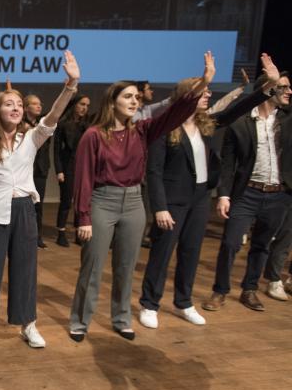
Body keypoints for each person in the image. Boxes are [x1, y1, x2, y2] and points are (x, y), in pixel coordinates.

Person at [68, 53, 214, 342]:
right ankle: (80, 321)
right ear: (113, 102)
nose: (135, 101)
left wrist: (204, 82)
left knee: (126, 265)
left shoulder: (143, 130)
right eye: (128, 97)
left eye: (137, 97)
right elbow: (83, 179)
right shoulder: (94, 135)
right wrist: (83, 217)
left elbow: (175, 114)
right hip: (102, 202)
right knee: (93, 266)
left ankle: (121, 318)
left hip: (134, 202)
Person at [139, 54, 280, 328]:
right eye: (203, 93)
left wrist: (268, 87)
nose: (208, 96)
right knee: (162, 254)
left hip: (199, 199)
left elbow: (236, 110)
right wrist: (159, 207)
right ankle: (149, 303)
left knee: (191, 252)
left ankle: (183, 302)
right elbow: (153, 171)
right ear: (186, 97)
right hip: (172, 201)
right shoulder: (163, 128)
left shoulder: (205, 124)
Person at [0, 52, 81, 353]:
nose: (16, 108)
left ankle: (27, 324)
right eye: (9, 103)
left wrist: (70, 86)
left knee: (25, 271)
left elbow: (52, 117)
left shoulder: (31, 138)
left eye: (19, 104)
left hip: (24, 211)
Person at [203, 70, 292, 312]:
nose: (289, 92)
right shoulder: (240, 122)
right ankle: (219, 291)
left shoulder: (287, 118)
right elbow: (228, 163)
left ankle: (249, 289)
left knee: (261, 245)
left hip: (278, 194)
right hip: (247, 193)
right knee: (231, 243)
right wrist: (223, 194)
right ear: (269, 88)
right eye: (283, 87)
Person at [52, 94, 91, 246]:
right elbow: (56, 150)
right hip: (67, 167)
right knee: (66, 201)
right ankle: (61, 233)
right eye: (82, 104)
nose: (84, 108)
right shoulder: (63, 124)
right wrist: (59, 170)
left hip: (83, 168)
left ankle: (77, 233)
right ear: (74, 104)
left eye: (87, 105)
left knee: (81, 201)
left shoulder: (87, 125)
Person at [23, 95, 50, 248]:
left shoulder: (43, 124)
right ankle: (22, 235)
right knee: (23, 205)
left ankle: (37, 236)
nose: (39, 106)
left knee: (38, 205)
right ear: (26, 108)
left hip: (40, 169)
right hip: (24, 169)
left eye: (40, 103)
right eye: (34, 104)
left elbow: (58, 113)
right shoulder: (19, 123)